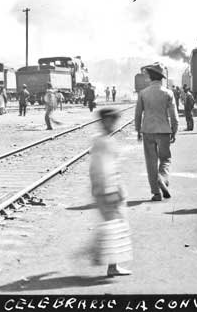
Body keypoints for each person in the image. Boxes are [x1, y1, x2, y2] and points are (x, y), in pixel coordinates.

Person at [90, 107, 132, 277]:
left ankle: (101, 258)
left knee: (113, 226)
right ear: (104, 122)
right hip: (107, 190)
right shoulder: (104, 142)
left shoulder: (101, 140)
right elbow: (105, 169)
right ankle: (111, 266)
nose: (113, 124)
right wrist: (111, 192)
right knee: (116, 226)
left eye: (114, 121)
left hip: (105, 189)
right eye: (111, 121)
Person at [135, 63, 178, 201]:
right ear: (161, 78)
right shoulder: (168, 93)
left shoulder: (143, 93)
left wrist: (138, 130)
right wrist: (174, 131)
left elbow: (138, 114)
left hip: (147, 130)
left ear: (150, 77)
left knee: (150, 162)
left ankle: (156, 193)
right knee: (165, 159)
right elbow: (174, 116)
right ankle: (162, 178)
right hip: (164, 131)